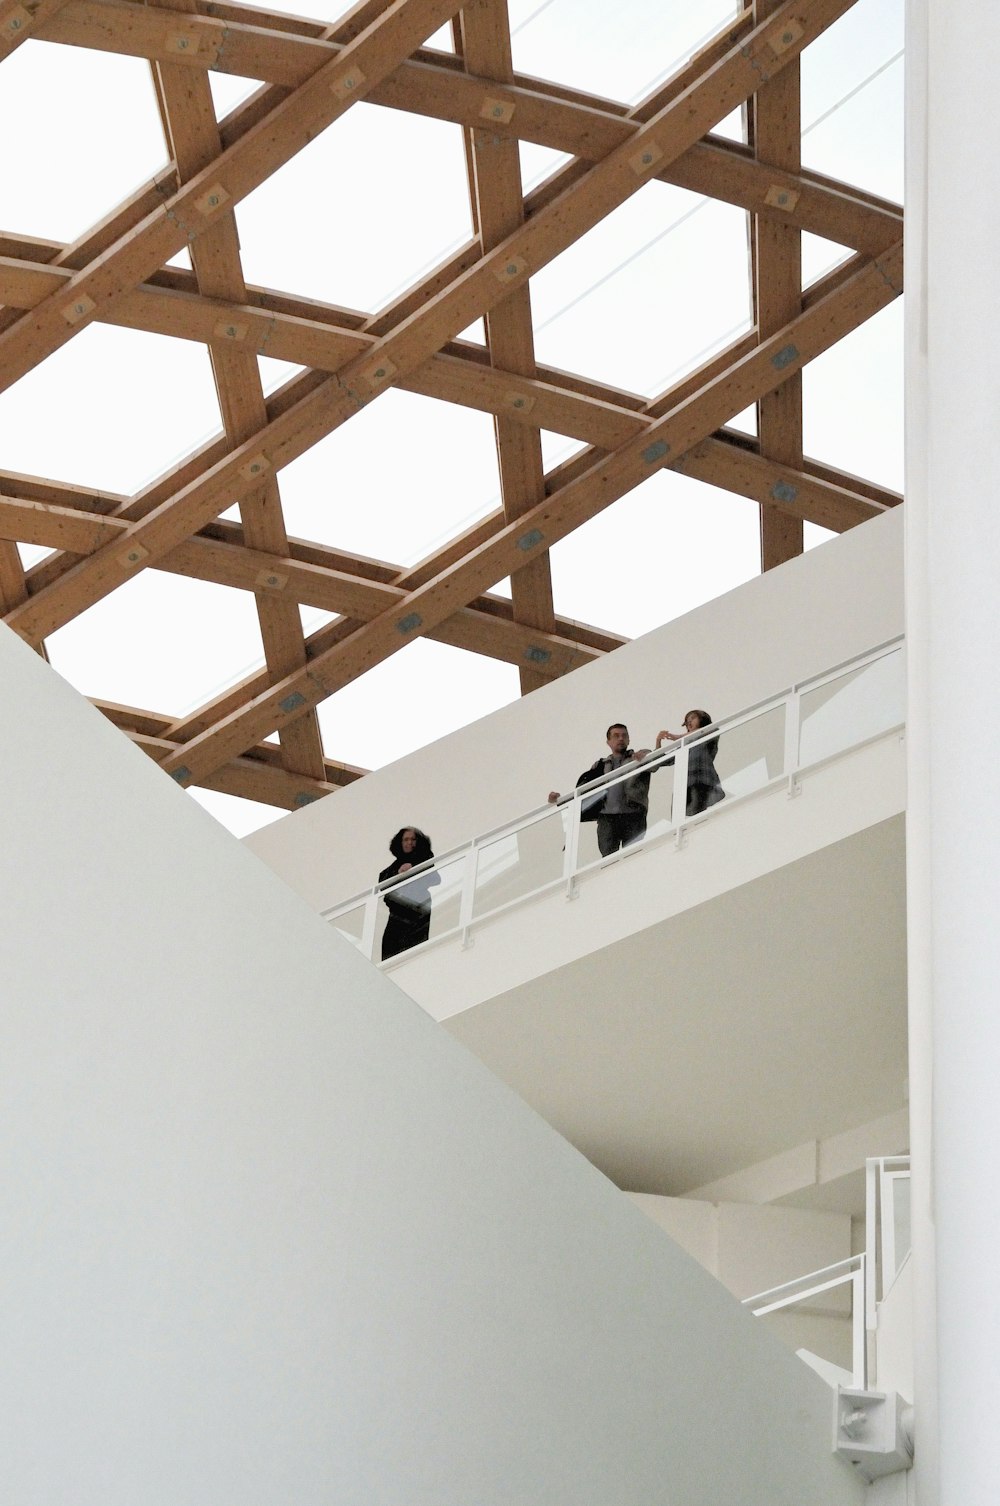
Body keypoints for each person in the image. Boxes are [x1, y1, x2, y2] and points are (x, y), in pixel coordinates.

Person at [548, 723, 652, 856]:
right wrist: (559, 800)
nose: (621, 738)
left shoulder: (637, 757)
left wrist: (646, 756)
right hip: (607, 819)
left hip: (633, 815)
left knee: (633, 855)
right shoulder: (600, 765)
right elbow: (584, 790)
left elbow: (657, 762)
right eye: (616, 736)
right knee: (608, 859)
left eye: (624, 736)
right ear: (608, 742)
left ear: (629, 740)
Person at [378, 827, 440, 961]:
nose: (409, 842)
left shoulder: (425, 861)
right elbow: (381, 884)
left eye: (413, 839)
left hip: (417, 912)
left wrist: (414, 869)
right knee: (390, 953)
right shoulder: (393, 868)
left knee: (415, 952)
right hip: (397, 915)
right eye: (406, 839)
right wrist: (398, 874)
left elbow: (436, 879)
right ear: (399, 843)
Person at [655, 709, 725, 817]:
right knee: (679, 815)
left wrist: (677, 737)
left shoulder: (711, 731)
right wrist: (658, 742)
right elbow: (663, 760)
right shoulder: (684, 745)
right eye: (687, 722)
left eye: (692, 718)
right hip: (684, 783)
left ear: (702, 719)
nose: (689, 723)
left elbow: (702, 732)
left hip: (701, 778)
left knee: (697, 811)